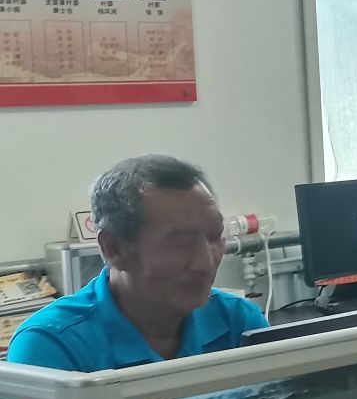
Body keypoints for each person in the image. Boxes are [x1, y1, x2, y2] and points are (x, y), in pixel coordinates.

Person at [6, 156, 267, 370]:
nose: (205, 262)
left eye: (215, 236)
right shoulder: (52, 344)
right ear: (114, 248)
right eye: (180, 243)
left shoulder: (238, 320)